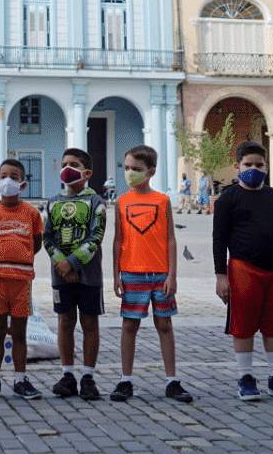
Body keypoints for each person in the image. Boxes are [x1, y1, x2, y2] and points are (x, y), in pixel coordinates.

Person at [213, 141, 273, 401]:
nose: (254, 169)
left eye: (259, 165)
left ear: (267, 166)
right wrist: (221, 276)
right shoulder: (228, 198)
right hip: (243, 268)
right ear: (237, 166)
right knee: (243, 325)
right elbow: (219, 238)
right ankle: (246, 376)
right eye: (248, 164)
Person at [109, 146, 192, 403]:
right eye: (127, 168)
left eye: (136, 169)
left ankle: (171, 379)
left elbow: (170, 239)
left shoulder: (162, 201)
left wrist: (172, 275)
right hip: (132, 272)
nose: (130, 173)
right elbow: (117, 240)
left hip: (159, 273)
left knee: (164, 324)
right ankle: (126, 380)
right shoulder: (121, 202)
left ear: (151, 171)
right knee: (129, 325)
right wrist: (115, 275)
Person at [0, 158, 42, 401]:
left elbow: (36, 243)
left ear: (22, 185)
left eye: (14, 177)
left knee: (20, 332)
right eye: (4, 176)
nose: (8, 181)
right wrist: (0, 258)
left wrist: (20, 258)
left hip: (22, 280)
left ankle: (20, 379)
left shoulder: (32, 213)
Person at [45, 148, 107, 401]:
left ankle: (88, 376)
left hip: (89, 275)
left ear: (87, 172)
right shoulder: (52, 202)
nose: (67, 168)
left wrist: (73, 263)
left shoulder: (96, 203)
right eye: (64, 163)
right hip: (60, 275)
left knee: (90, 323)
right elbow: (46, 236)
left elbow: (97, 236)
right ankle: (67, 374)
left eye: (73, 164)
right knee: (65, 322)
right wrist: (61, 263)